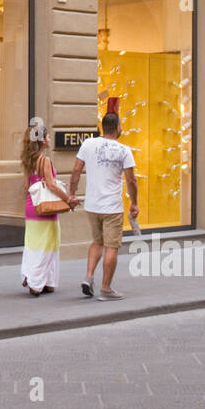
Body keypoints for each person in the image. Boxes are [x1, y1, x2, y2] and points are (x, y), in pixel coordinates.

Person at [68, 112, 139, 300]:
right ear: (117, 128)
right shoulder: (124, 150)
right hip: (112, 207)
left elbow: (76, 170)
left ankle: (89, 277)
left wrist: (72, 193)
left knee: (97, 241)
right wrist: (134, 203)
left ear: (102, 127)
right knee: (111, 247)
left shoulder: (88, 144)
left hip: (92, 205)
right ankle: (106, 289)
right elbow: (131, 181)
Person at [20, 118, 78, 296]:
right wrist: (68, 199)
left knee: (33, 243)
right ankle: (36, 282)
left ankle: (40, 278)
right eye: (48, 136)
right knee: (49, 243)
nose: (50, 139)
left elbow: (26, 187)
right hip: (46, 208)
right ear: (43, 140)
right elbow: (51, 185)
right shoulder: (44, 160)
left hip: (32, 206)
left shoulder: (28, 160)